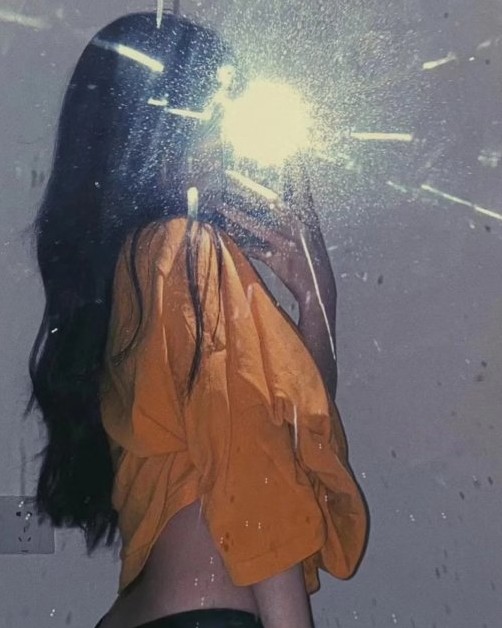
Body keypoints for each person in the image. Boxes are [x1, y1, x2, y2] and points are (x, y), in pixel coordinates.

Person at [27, 11, 368, 628]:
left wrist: (318, 301)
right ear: (167, 124)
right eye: (218, 105)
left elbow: (292, 439)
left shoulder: (136, 272)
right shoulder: (183, 253)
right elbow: (255, 473)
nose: (225, 137)